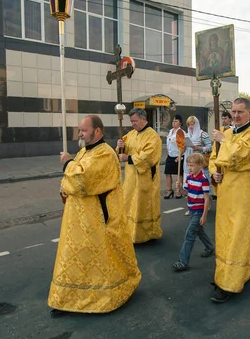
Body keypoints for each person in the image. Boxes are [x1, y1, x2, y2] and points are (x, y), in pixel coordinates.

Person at [49, 115, 141, 318]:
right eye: (79, 130)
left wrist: (67, 164)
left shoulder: (106, 154)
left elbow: (84, 180)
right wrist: (65, 185)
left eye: (83, 130)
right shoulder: (84, 151)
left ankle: (102, 296)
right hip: (76, 220)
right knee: (74, 258)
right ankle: (68, 298)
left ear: (97, 131)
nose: (79, 134)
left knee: (96, 260)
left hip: (96, 219)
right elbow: (73, 179)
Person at [210, 97, 250, 303]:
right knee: (224, 235)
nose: (235, 115)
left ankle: (230, 283)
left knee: (237, 236)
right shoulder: (226, 133)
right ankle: (223, 273)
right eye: (233, 111)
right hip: (225, 193)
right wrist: (214, 174)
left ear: (249, 113)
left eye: (240, 111)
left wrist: (225, 141)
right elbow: (215, 159)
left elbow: (242, 156)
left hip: (243, 195)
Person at [117, 108, 163, 243]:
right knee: (129, 204)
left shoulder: (153, 136)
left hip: (145, 179)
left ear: (143, 119)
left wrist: (128, 158)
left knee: (143, 206)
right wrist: (121, 146)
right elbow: (122, 151)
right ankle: (129, 232)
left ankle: (146, 234)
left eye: (135, 121)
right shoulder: (131, 134)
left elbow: (148, 157)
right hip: (131, 177)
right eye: (131, 121)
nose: (133, 124)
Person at [172, 153, 215, 271]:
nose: (189, 168)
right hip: (191, 209)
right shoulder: (189, 178)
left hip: (199, 211)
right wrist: (180, 189)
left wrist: (204, 215)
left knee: (190, 234)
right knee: (199, 231)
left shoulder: (203, 180)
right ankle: (210, 247)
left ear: (200, 165)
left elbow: (207, 198)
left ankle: (183, 261)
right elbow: (186, 193)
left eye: (192, 165)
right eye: (188, 165)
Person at [183, 116, 213, 215]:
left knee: (202, 186)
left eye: (193, 124)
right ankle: (191, 207)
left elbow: (209, 147)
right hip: (189, 162)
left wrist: (198, 148)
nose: (191, 127)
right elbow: (184, 149)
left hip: (200, 163)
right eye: (189, 124)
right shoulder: (187, 135)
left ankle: (206, 205)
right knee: (191, 186)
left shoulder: (202, 134)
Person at [164, 115, 186, 199]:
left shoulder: (181, 132)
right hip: (170, 155)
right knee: (167, 173)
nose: (174, 122)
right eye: (173, 121)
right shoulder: (170, 131)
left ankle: (178, 190)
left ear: (180, 123)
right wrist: (167, 155)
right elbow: (168, 144)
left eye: (176, 121)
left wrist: (179, 156)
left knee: (179, 174)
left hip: (178, 156)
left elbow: (183, 146)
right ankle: (169, 190)